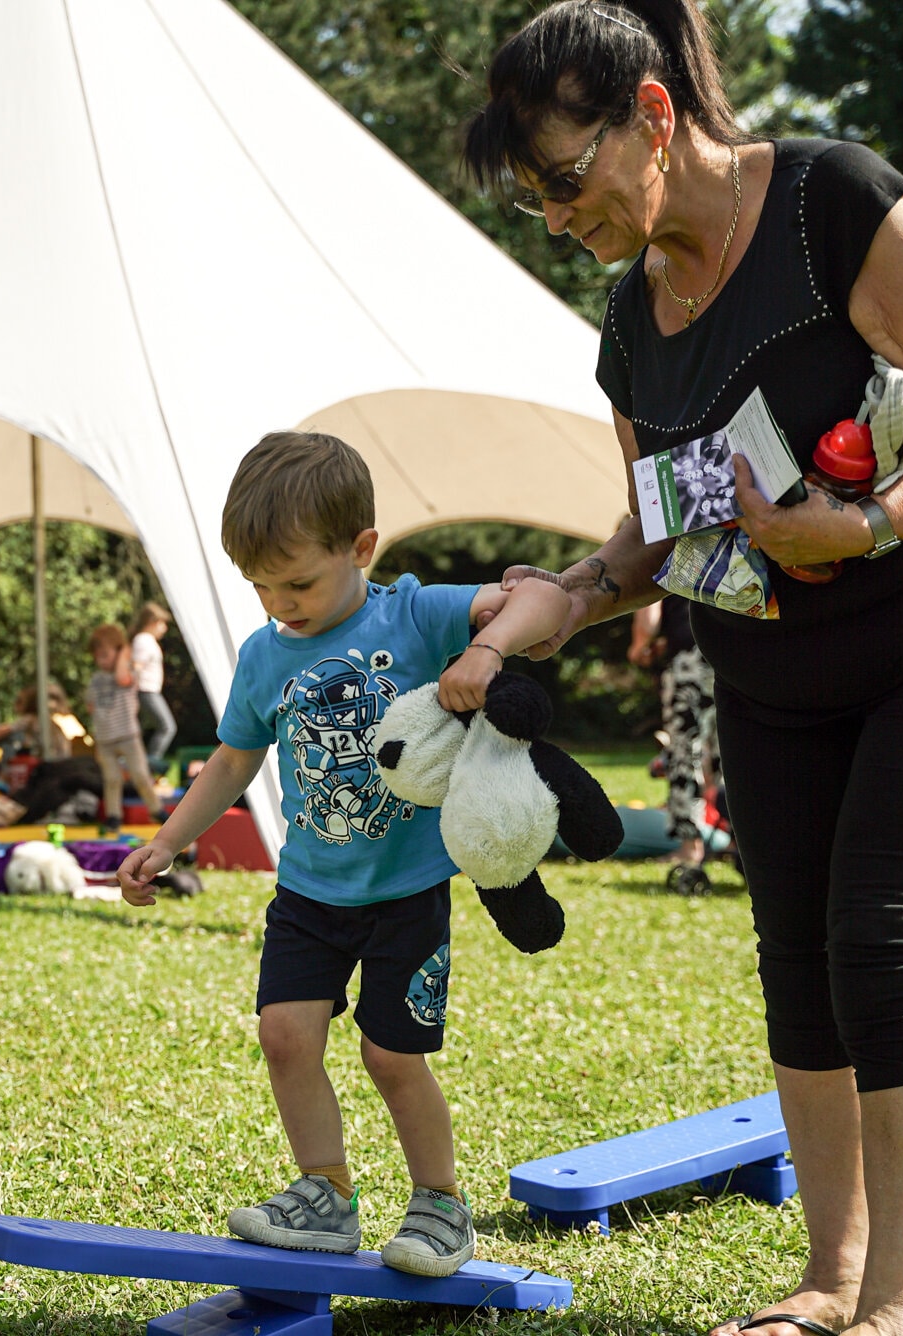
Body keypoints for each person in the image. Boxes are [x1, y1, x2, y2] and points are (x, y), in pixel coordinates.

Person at [463, 4, 903, 1331]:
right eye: (538, 202)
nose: (561, 218)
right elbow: (656, 525)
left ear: (654, 113)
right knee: (797, 956)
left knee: (892, 944)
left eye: (569, 179)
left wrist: (864, 521)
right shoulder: (628, 328)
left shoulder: (829, 204)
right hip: (772, 670)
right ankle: (831, 1282)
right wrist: (563, 592)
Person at [117, 431, 573, 1277]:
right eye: (259, 585)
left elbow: (544, 601)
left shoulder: (414, 613)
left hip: (407, 891)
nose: (277, 602)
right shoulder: (263, 657)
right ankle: (324, 1194)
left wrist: (484, 649)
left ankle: (441, 1206)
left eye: (297, 581)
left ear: (362, 548)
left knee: (391, 1055)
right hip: (309, 891)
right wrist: (167, 842)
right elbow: (232, 760)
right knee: (286, 1037)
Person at [628, 595, 714, 864]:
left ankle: (690, 848)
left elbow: (648, 617)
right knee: (735, 748)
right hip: (735, 653)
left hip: (690, 659)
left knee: (685, 752)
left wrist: (640, 645)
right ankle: (737, 842)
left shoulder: (665, 552)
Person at [0, 683, 102, 825]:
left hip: (51, 767)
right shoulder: (55, 722)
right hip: (63, 764)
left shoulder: (31, 720)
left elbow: (1, 731)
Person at [86, 624, 166, 836]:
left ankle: (156, 809)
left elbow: (122, 677)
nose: (101, 661)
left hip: (128, 736)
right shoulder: (96, 679)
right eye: (97, 656)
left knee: (140, 775)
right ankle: (113, 816)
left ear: (120, 652)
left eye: (105, 654)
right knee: (111, 779)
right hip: (105, 740)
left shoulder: (127, 673)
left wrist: (124, 652)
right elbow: (91, 706)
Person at [130, 602, 178, 772]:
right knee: (167, 727)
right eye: (162, 623)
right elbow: (137, 666)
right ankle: (152, 763)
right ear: (152, 621)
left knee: (140, 731)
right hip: (146, 691)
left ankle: (139, 765)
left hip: (149, 691)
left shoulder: (146, 640)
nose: (164, 628)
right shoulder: (143, 640)